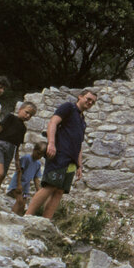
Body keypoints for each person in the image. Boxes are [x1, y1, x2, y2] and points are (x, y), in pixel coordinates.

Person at [26, 89, 97, 219]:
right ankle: (27, 216)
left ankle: (45, 222)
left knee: (59, 191)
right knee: (50, 186)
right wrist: (51, 143)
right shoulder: (68, 107)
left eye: (93, 101)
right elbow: (53, 122)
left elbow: (79, 143)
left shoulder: (82, 120)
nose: (90, 102)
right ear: (80, 97)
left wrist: (79, 165)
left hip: (71, 160)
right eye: (88, 99)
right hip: (59, 154)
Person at [0, 102, 36, 197]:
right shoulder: (10, 117)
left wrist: (17, 160)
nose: (28, 116)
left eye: (30, 115)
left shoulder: (23, 128)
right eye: (26, 112)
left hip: (10, 151)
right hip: (0, 146)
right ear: (20, 109)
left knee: (1, 177)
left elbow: (17, 145)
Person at [7, 141, 47, 215]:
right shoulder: (26, 158)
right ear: (34, 150)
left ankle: (19, 218)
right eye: (38, 153)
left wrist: (38, 190)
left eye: (41, 155)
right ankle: (12, 216)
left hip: (26, 189)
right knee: (19, 201)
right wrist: (19, 184)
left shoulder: (38, 164)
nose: (39, 156)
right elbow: (19, 171)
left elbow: (36, 178)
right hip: (17, 184)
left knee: (23, 203)